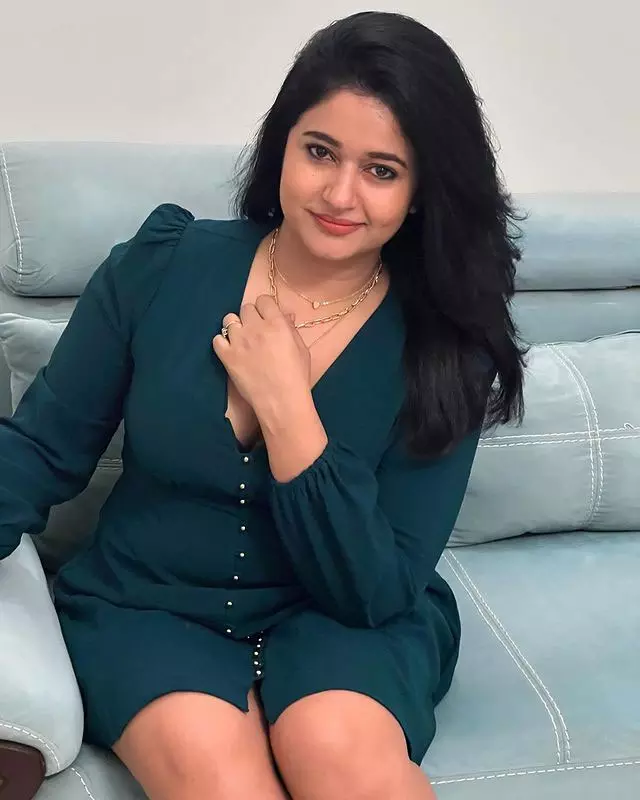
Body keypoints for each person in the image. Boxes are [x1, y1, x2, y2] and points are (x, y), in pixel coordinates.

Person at [0, 10, 528, 800]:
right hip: (150, 605)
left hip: (342, 618)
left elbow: (377, 588)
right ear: (283, 144)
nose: (340, 193)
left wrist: (288, 410)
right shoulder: (162, 267)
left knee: (345, 762)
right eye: (320, 152)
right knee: (221, 782)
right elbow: (41, 451)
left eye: (382, 170)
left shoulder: (448, 344)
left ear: (422, 190)